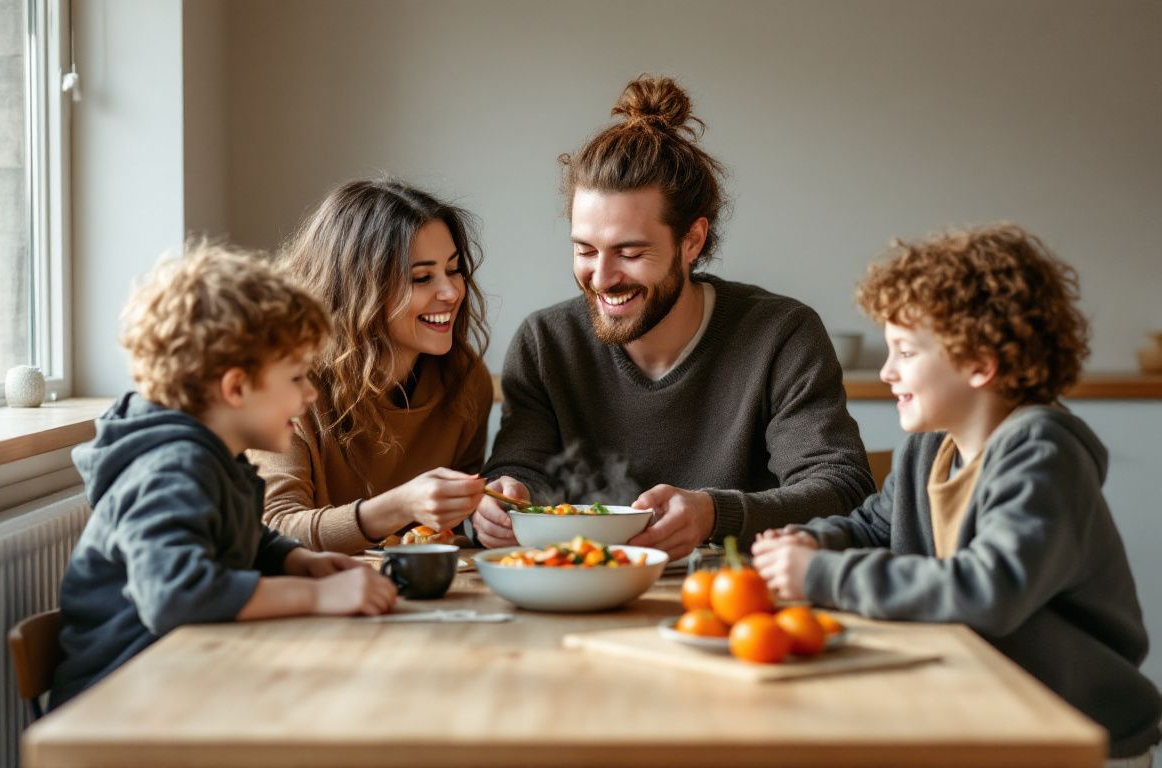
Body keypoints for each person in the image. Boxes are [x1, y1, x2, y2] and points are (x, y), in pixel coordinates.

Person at [751, 224, 1160, 764]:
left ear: (978, 363)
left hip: (1077, 730)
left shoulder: (1040, 452)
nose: (887, 371)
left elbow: (989, 589)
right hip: (992, 711)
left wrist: (821, 576)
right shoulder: (929, 449)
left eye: (905, 351)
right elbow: (876, 528)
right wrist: (811, 542)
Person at [470, 75, 873, 557]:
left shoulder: (779, 335)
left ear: (692, 241)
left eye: (630, 252)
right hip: (578, 595)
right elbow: (521, 469)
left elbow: (843, 489)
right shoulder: (546, 342)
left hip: (732, 602)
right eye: (585, 250)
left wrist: (713, 514)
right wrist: (503, 499)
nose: (601, 278)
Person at [50, 241, 397, 710]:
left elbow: (236, 538)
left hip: (188, 675)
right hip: (126, 701)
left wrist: (299, 561)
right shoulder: (172, 468)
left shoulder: (215, 459)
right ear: (236, 388)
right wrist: (314, 596)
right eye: (296, 377)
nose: (311, 394)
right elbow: (176, 594)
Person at [252, 180, 494, 554]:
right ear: (358, 288)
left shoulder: (465, 380)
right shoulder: (283, 381)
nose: (451, 292)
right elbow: (274, 530)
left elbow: (447, 534)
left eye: (454, 269)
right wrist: (398, 507)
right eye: (422, 277)